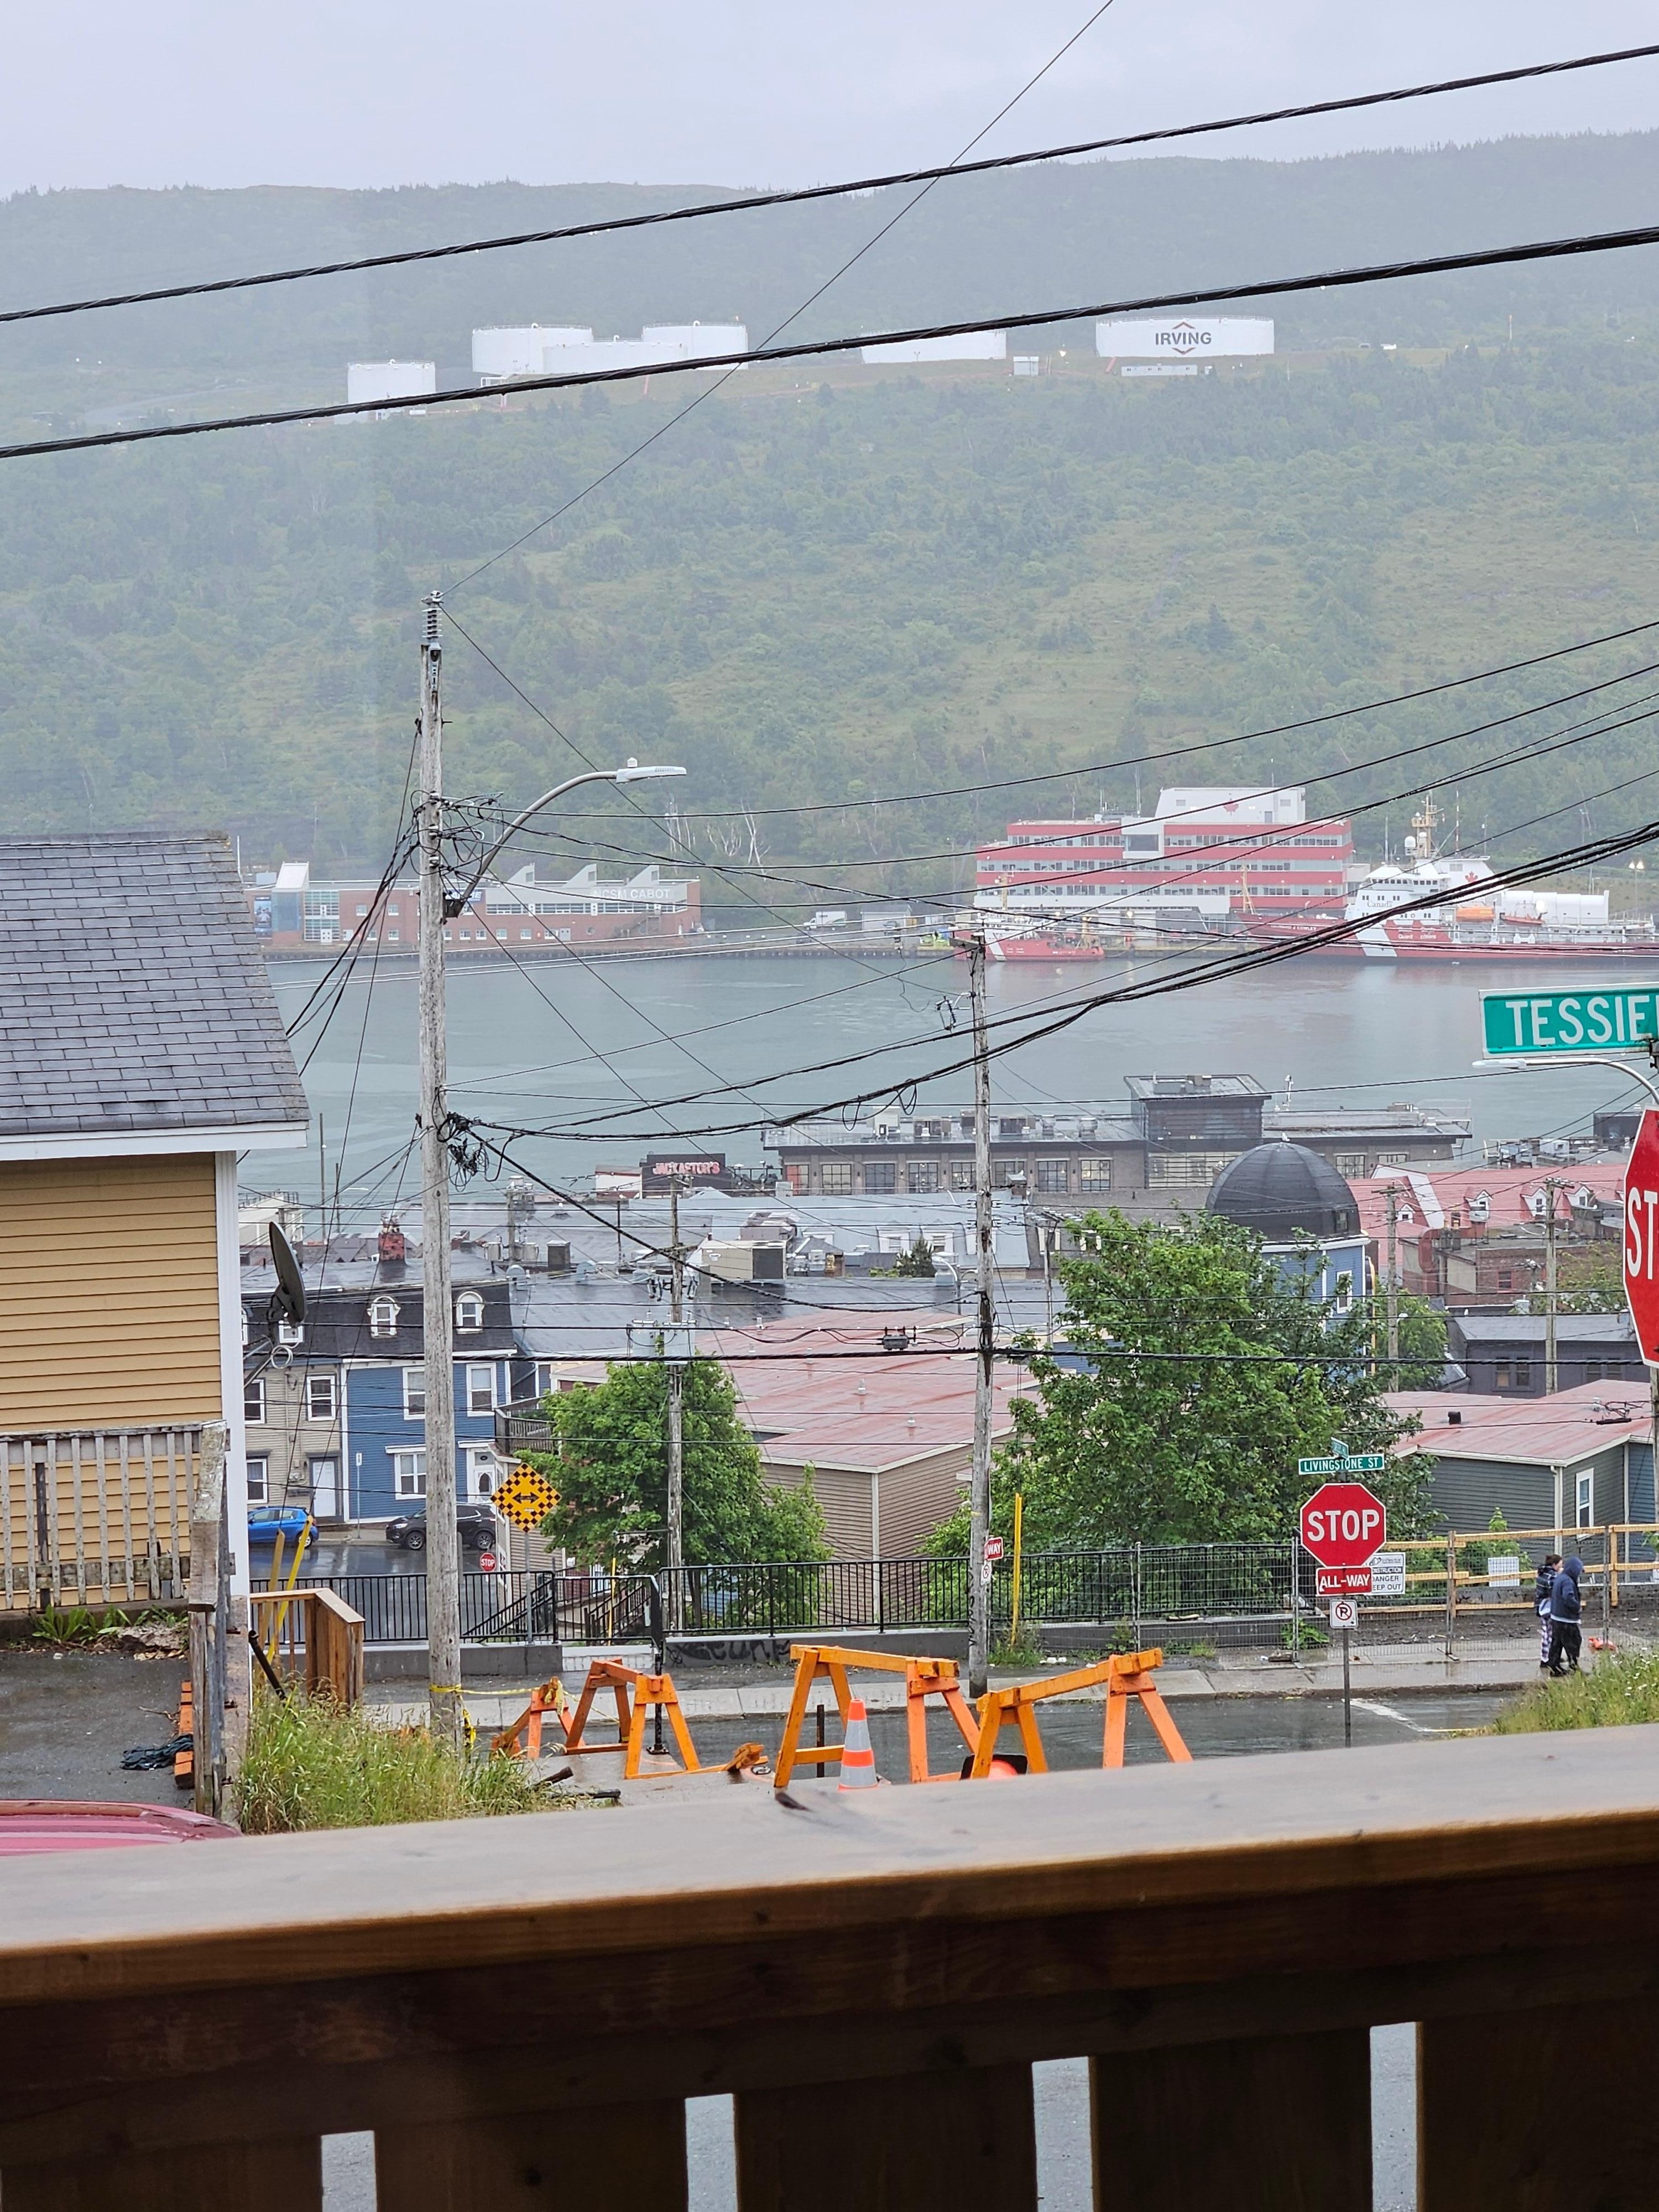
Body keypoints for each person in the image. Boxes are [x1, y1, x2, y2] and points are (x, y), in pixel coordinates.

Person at [1547, 1556, 1584, 1677]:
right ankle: (1574, 1667)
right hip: (1566, 1619)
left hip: (1556, 1617)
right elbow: (1568, 1597)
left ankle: (1554, 1667)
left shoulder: (1561, 1578)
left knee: (1557, 1644)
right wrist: (1577, 1607)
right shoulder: (1568, 1581)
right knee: (1574, 1642)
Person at [1535, 1553, 1562, 1670]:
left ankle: (1546, 1657)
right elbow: (1555, 1593)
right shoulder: (1552, 1577)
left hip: (1541, 1606)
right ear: (1555, 1565)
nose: (1561, 1567)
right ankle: (1548, 1658)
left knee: (1546, 1633)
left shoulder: (1541, 1573)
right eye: (1560, 1565)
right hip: (1550, 1608)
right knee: (1551, 1634)